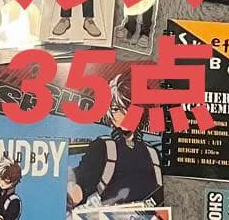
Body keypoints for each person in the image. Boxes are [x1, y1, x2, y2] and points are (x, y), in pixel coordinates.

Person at [67, 72, 163, 209]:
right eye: (116, 109)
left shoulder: (153, 154)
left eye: (130, 109)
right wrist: (74, 191)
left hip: (149, 219)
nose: (123, 115)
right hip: (107, 218)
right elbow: (82, 181)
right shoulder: (102, 146)